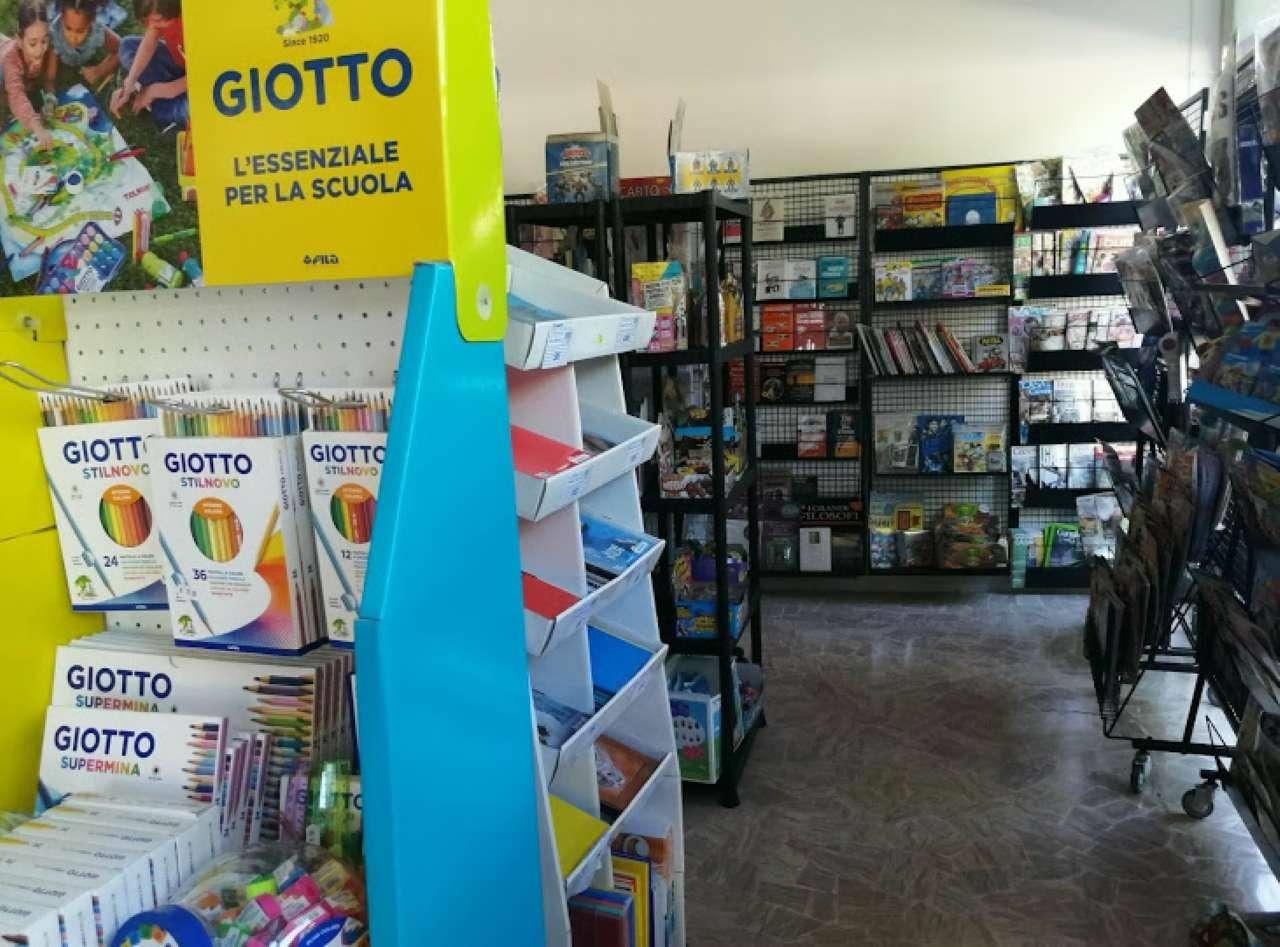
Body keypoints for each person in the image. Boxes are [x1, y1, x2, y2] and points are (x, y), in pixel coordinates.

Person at [110, 0, 184, 129]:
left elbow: (208, 75)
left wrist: (157, 90)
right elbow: (150, 41)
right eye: (147, 21)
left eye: (157, 20)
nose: (151, 25)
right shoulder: (160, 17)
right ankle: (147, 94)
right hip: (179, 61)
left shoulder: (198, 21)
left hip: (204, 79)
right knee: (127, 45)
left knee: (179, 110)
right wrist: (129, 83)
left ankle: (157, 100)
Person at [1, 0, 55, 149]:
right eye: (32, 43)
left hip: (23, 75)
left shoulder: (47, 48)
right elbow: (16, 96)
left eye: (44, 41)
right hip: (3, 64)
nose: (39, 49)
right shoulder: (10, 60)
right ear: (19, 41)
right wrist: (36, 126)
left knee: (36, 106)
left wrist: (50, 98)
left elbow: (49, 78)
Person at [47, 0, 121, 89]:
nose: (73, 37)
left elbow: (121, 48)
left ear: (92, 22)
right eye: (68, 28)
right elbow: (50, 75)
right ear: (62, 18)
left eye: (80, 31)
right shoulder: (54, 31)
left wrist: (98, 71)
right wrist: (50, 88)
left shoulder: (97, 31)